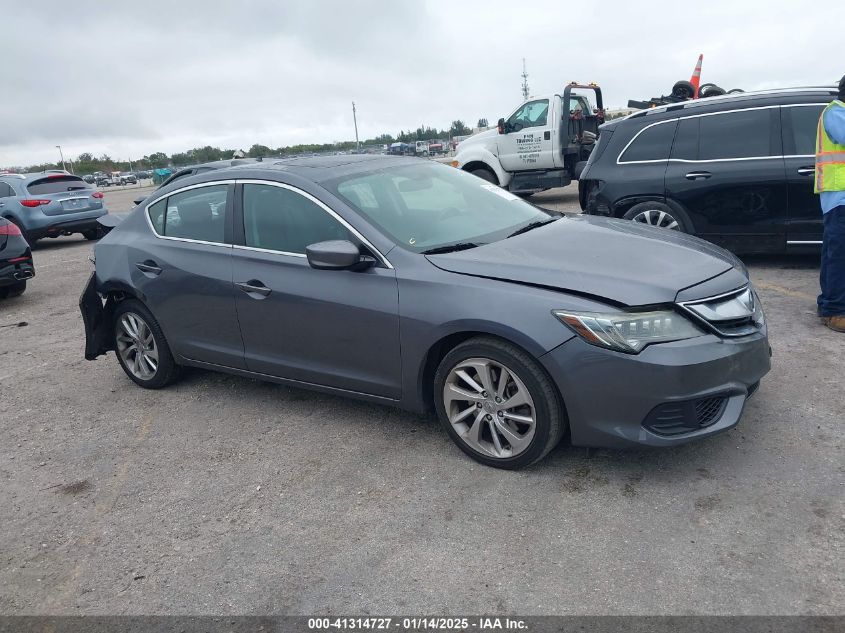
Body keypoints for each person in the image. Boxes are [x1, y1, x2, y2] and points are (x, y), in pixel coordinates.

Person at [816, 75, 845, 332]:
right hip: (840, 196)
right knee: (838, 256)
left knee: (833, 254)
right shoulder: (836, 113)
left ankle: (828, 305)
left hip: (840, 196)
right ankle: (834, 311)